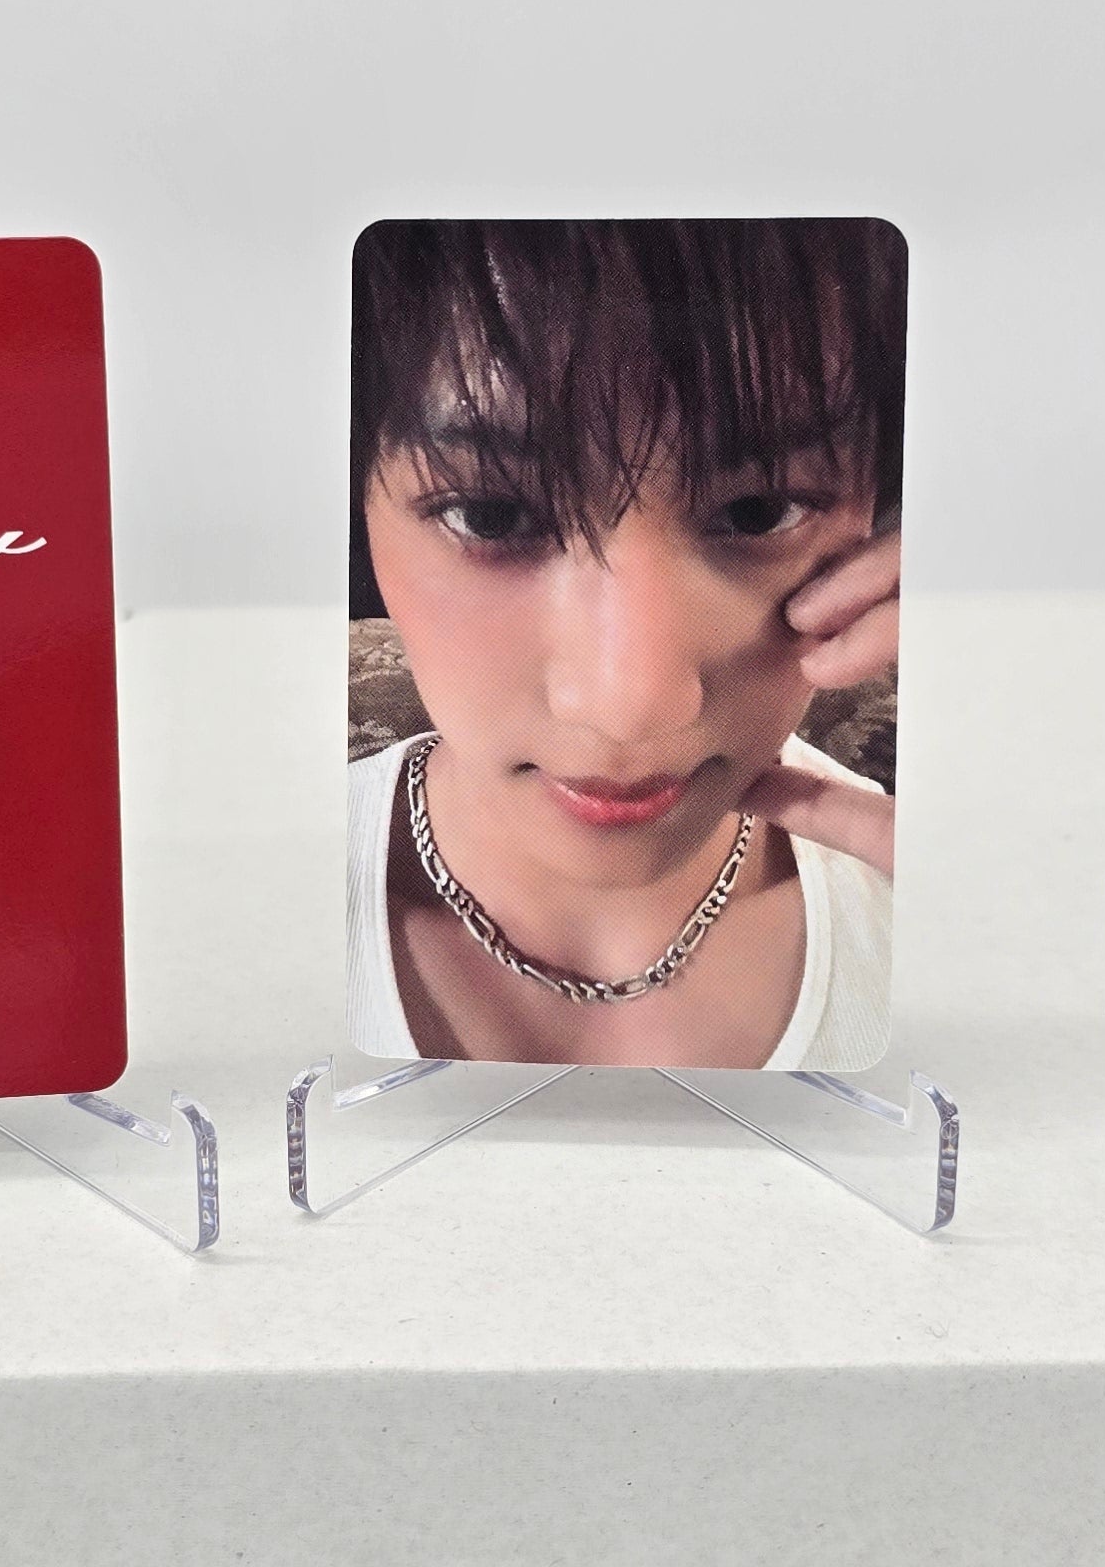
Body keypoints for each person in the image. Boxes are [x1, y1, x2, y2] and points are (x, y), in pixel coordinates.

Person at [345, 216, 904, 1072]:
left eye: (758, 511)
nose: (631, 708)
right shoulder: (214, 914)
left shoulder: (944, 898)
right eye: (490, 515)